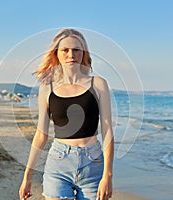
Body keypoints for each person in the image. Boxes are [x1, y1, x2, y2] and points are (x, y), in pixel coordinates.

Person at [19, 28, 114, 200]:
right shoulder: (47, 88)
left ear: (83, 53)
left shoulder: (98, 84)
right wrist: (27, 176)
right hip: (59, 162)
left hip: (93, 163)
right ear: (57, 54)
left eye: (76, 49)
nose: (71, 54)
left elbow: (107, 130)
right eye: (65, 50)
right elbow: (41, 134)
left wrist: (108, 175)